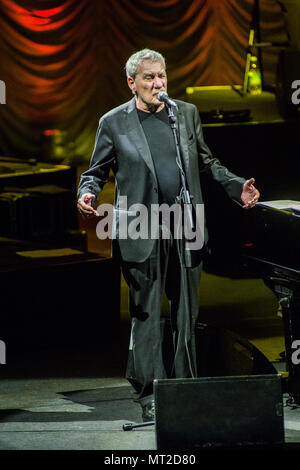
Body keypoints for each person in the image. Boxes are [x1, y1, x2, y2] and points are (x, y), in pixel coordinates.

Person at [77, 48, 260, 422]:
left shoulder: (185, 114)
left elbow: (206, 161)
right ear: (132, 82)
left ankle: (186, 387)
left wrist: (235, 185)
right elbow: (95, 169)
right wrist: (87, 191)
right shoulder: (114, 122)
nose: (157, 84)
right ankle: (150, 392)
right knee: (146, 313)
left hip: (185, 224)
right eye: (149, 78)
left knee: (186, 312)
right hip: (141, 225)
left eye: (161, 76)